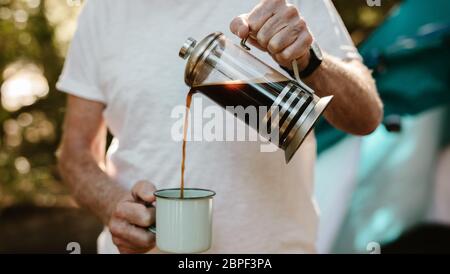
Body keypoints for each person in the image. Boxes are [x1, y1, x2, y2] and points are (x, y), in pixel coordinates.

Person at [56, 0, 382, 254]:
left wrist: (311, 61)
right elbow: (74, 155)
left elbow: (366, 116)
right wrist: (115, 204)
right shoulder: (103, 10)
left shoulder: (284, 4)